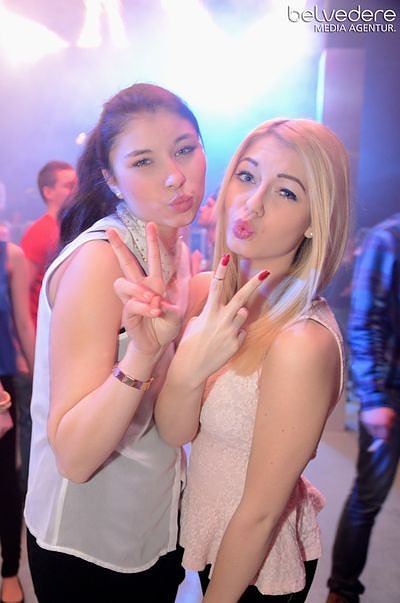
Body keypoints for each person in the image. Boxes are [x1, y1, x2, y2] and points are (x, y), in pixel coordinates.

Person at [135, 117, 349, 602]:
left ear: (315, 220)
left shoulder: (301, 342)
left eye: (286, 192)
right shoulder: (210, 294)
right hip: (199, 545)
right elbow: (176, 432)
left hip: (254, 567)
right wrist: (184, 364)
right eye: (247, 176)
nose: (252, 203)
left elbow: (260, 515)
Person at [23, 82, 206, 603]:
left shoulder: (172, 245)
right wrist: (144, 354)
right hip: (91, 541)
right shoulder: (101, 261)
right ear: (111, 179)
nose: (174, 175)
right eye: (144, 161)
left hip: (153, 522)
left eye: (185, 149)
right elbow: (75, 458)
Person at [326, 212, 400, 603]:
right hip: (390, 393)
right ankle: (341, 590)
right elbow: (364, 320)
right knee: (369, 497)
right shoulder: (388, 239)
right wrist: (373, 398)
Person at [0, 236, 35, 603]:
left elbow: (23, 324)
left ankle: (10, 570)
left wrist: (43, 381)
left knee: (5, 482)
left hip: (1, 384)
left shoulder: (10, 255)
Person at [20, 160, 77, 327]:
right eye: (69, 186)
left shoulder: (74, 227)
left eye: (77, 184)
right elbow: (21, 292)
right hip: (45, 329)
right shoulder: (38, 232)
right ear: (48, 192)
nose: (76, 190)